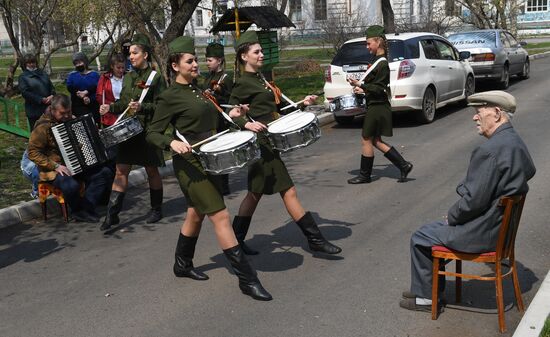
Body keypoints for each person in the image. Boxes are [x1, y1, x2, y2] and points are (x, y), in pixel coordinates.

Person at [146, 36, 272, 301]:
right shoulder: (169, 97)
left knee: (195, 213)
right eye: (189, 61)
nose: (195, 64)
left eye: (195, 60)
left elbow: (219, 123)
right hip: (189, 164)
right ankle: (247, 280)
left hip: (209, 160)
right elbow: (152, 133)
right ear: (175, 65)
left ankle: (182, 264)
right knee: (220, 215)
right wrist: (171, 143)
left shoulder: (200, 90)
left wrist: (238, 120)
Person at [399, 91, 536, 311]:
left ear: (497, 113)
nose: (474, 117)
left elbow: (472, 202)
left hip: (483, 232)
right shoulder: (514, 140)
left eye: (479, 111)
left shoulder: (489, 150)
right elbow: (529, 169)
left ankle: (427, 298)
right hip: (500, 230)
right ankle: (428, 286)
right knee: (433, 231)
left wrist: (452, 217)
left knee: (421, 236)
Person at [227, 30, 341, 256]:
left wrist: (302, 104)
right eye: (256, 52)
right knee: (287, 191)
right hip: (261, 146)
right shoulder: (241, 83)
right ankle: (314, 239)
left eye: (261, 51)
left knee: (254, 194)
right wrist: (246, 123)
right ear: (243, 56)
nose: (261, 55)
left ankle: (235, 240)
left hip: (269, 144)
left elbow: (277, 111)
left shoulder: (260, 78)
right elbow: (231, 112)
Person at [98, 33, 166, 231]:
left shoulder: (155, 77)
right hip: (128, 131)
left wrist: (142, 108)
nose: (131, 57)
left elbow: (162, 106)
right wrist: (110, 108)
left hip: (147, 131)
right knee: (121, 170)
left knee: (151, 170)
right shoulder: (127, 77)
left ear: (145, 54)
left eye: (135, 53)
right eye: (130, 53)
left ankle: (156, 209)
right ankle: (112, 215)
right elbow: (124, 104)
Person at [27, 94, 114, 222]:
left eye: (69, 112)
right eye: (63, 113)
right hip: (53, 170)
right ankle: (78, 211)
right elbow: (33, 152)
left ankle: (86, 208)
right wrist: (55, 166)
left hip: (76, 164)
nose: (67, 116)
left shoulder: (70, 120)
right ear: (53, 110)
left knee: (104, 172)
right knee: (71, 185)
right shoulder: (42, 127)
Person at [346, 25, 413, 184]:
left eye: (369, 43)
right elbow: (376, 86)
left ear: (379, 42)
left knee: (366, 139)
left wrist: (361, 86)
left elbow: (379, 88)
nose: (367, 46)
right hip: (376, 104)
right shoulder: (377, 61)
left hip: (378, 106)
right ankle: (403, 165)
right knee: (375, 140)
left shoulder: (381, 63)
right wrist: (362, 89)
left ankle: (365, 175)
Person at [202, 42, 233, 195]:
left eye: (210, 60)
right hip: (209, 119)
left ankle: (224, 183)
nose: (207, 63)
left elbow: (225, 93)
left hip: (221, 119)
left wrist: (217, 91)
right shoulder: (209, 77)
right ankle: (216, 181)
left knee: (222, 150)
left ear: (219, 60)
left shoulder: (225, 77)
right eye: (207, 60)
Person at [18, 53, 55, 131]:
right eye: (29, 63)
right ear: (25, 64)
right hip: (34, 110)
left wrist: (52, 95)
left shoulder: (43, 73)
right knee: (37, 132)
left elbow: (51, 87)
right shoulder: (23, 77)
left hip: (48, 108)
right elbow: (25, 92)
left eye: (33, 62)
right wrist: (41, 99)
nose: (31, 64)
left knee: (50, 130)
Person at [66, 52, 100, 121]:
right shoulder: (72, 76)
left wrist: (87, 93)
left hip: (93, 106)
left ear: (85, 61)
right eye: (76, 63)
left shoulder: (94, 75)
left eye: (80, 62)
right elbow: (70, 87)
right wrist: (80, 94)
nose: (78, 65)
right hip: (78, 107)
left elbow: (98, 88)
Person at [96, 53, 126, 127]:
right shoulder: (105, 78)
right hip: (110, 116)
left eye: (123, 67)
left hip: (125, 113)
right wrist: (111, 104)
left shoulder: (128, 77)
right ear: (112, 66)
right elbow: (99, 97)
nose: (121, 70)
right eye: (118, 68)